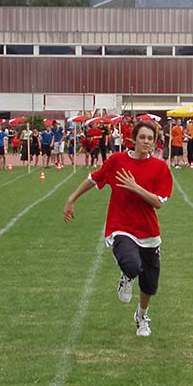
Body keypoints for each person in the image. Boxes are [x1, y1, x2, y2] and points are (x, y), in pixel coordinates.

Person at [63, 120, 173, 338]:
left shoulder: (160, 168)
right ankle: (126, 275)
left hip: (149, 232)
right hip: (121, 226)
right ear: (133, 139)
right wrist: (71, 199)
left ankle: (141, 316)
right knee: (131, 265)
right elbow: (93, 179)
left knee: (149, 285)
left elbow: (158, 202)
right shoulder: (117, 161)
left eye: (150, 138)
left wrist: (136, 187)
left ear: (154, 142)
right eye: (142, 137)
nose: (146, 142)